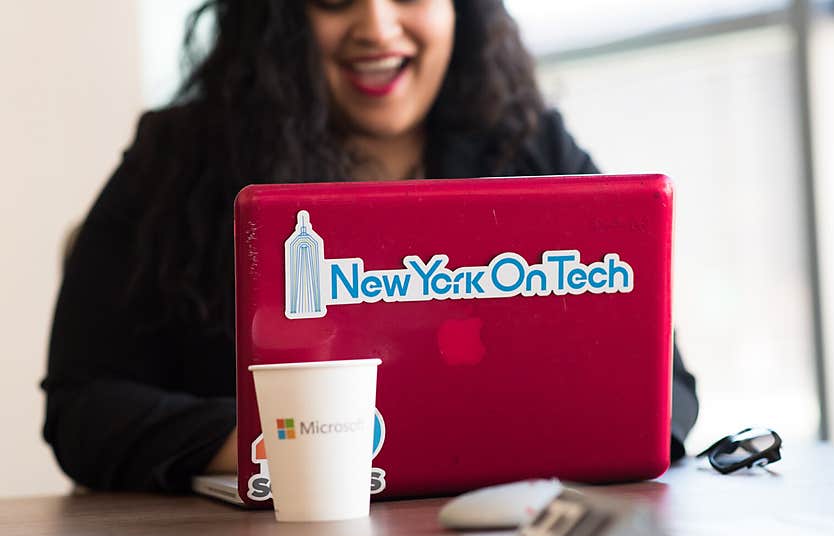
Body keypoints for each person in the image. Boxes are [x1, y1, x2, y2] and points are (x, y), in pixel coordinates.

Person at [42, 0, 699, 492]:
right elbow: (82, 405)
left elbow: (665, 394)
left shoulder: (529, 145)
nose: (377, 27)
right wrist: (275, 440)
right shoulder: (175, 163)